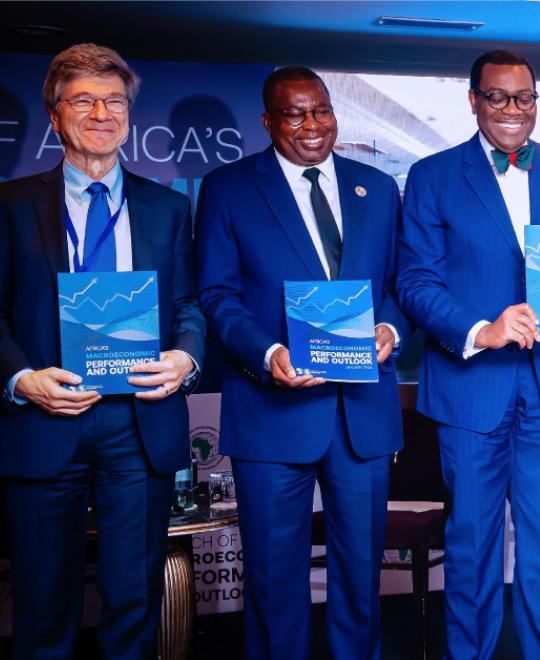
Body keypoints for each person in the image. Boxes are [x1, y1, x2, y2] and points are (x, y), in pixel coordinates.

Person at [397, 50, 540, 659]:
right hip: (473, 385)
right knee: (471, 542)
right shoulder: (432, 176)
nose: (513, 110)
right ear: (473, 100)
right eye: (498, 97)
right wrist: (483, 329)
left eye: (524, 98)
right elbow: (416, 281)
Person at [0, 43, 205, 659]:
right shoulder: (9, 207)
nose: (101, 112)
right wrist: (21, 377)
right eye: (83, 100)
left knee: (133, 601)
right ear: (55, 115)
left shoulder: (167, 207)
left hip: (137, 419)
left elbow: (189, 305)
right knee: (41, 604)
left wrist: (186, 358)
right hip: (44, 419)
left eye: (114, 100)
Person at [195, 66, 406, 660]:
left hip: (360, 415)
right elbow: (216, 294)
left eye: (322, 111)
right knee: (273, 579)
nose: (312, 125)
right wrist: (268, 352)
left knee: (362, 578)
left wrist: (390, 327)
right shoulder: (229, 188)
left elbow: (401, 282)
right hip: (271, 412)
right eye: (295, 114)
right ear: (268, 122)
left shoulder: (378, 188)